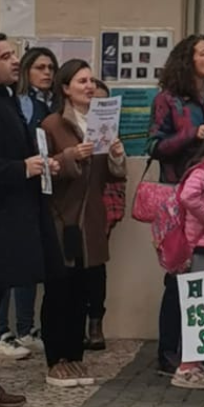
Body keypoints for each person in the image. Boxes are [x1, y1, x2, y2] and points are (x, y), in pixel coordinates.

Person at [0, 33, 60, 407]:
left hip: (13, 212)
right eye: (5, 56)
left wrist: (40, 163)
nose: (14, 61)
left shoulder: (5, 96)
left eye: (14, 54)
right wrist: (21, 168)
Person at [39, 59, 127, 387]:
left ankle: (75, 357)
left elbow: (111, 175)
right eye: (81, 81)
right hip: (62, 219)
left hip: (90, 220)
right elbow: (42, 170)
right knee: (58, 291)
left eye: (91, 81)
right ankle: (56, 359)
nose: (89, 86)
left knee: (82, 290)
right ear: (65, 88)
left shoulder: (102, 123)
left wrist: (116, 154)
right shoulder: (52, 124)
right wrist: (70, 157)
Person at [148, 34, 204, 375]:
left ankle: (202, 348)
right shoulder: (168, 100)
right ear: (189, 60)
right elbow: (154, 146)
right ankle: (169, 349)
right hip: (178, 193)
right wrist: (193, 134)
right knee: (178, 273)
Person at [0, 46, 57, 357]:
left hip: (38, 187)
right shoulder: (17, 102)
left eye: (51, 68)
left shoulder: (48, 104)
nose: (47, 73)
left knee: (28, 265)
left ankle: (26, 328)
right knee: (5, 268)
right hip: (12, 187)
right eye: (40, 67)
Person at [171, 128, 204, 389]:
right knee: (198, 308)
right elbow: (188, 196)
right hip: (201, 244)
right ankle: (186, 367)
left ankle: (195, 362)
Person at [84, 79, 126, 351]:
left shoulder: (110, 132)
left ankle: (95, 323)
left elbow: (119, 173)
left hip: (104, 203)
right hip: (78, 203)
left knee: (96, 265)